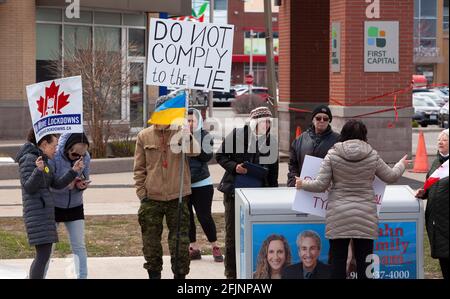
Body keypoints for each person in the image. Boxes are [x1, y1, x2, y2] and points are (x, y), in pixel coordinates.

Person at [295, 120, 409, 279]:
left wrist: (303, 183)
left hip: (339, 215)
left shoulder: (333, 155)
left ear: (344, 134)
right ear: (364, 135)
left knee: (338, 261)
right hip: (365, 216)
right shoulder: (372, 155)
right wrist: (401, 165)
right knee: (365, 262)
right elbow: (391, 176)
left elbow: (321, 185)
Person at [133, 100, 200, 279]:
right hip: (151, 199)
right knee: (151, 243)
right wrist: (142, 194)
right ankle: (154, 275)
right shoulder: (144, 135)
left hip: (177, 198)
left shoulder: (180, 133)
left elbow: (196, 152)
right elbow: (139, 169)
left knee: (179, 243)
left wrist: (187, 134)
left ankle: (180, 277)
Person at [216, 106, 279, 279]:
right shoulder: (237, 135)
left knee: (256, 235)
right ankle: (231, 274)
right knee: (232, 235)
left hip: (259, 194)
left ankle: (255, 272)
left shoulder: (271, 141)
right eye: (262, 122)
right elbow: (220, 156)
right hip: (234, 192)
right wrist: (235, 167)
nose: (265, 125)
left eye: (268, 122)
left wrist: (273, 195)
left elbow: (273, 172)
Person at [15, 129, 83, 279]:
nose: (57, 149)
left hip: (44, 214)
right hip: (37, 214)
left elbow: (56, 184)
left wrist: (73, 171)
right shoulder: (29, 159)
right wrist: (38, 171)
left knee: (43, 256)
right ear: (44, 144)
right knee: (43, 256)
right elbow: (29, 187)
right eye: (55, 145)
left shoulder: (43, 161)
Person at [47, 133, 91, 279]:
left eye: (81, 155)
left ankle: (82, 276)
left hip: (75, 205)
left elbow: (85, 176)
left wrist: (81, 185)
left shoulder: (85, 157)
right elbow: (49, 185)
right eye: (74, 154)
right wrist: (67, 184)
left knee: (79, 245)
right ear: (67, 148)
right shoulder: (54, 157)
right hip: (54, 206)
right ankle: (40, 275)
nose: (77, 157)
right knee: (48, 247)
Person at [186, 108, 223, 262]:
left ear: (198, 122)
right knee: (187, 218)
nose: (189, 124)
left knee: (204, 216)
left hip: (202, 184)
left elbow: (205, 156)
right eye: (186, 121)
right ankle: (193, 247)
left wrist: (190, 139)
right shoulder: (177, 137)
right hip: (184, 185)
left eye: (191, 121)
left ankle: (215, 245)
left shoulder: (205, 136)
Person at [415, 129, 449, 279]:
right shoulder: (436, 162)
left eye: (445, 139)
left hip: (446, 220)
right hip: (435, 221)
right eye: (439, 140)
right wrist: (424, 193)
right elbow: (431, 187)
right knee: (443, 257)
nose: (440, 142)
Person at [287, 105, 340, 187]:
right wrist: (293, 180)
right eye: (318, 118)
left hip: (327, 189)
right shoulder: (300, 139)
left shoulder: (338, 140)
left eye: (325, 119)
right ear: (313, 120)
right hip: (303, 187)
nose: (322, 121)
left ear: (329, 121)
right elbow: (293, 164)